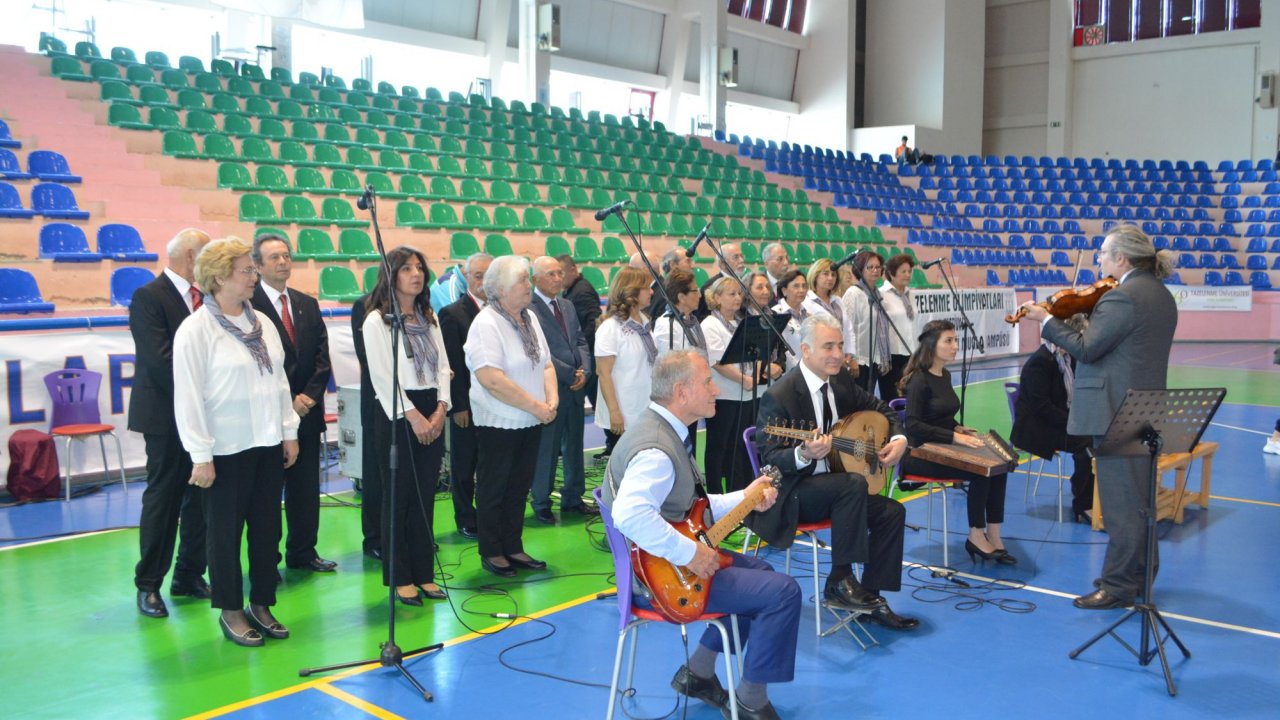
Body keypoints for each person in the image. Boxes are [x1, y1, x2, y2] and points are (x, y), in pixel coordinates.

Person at [601, 349, 799, 720]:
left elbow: (691, 508)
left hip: (658, 567)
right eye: (707, 382)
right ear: (681, 392)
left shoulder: (661, 430)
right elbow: (630, 513)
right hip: (663, 579)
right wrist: (689, 553)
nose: (714, 389)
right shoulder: (657, 450)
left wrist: (746, 497)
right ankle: (750, 701)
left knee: (764, 575)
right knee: (783, 593)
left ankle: (699, 672)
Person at [1017, 225, 1178, 610]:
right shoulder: (1161, 295)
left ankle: (1118, 586)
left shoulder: (1122, 298)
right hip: (1146, 409)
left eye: (1104, 254)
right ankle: (1139, 575)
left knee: (1122, 506)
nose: (1099, 260)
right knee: (1142, 502)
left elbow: (1087, 349)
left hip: (1113, 412)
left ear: (1122, 258)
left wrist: (1046, 321)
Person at [752, 315, 918, 629]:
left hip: (841, 491)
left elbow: (882, 408)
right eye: (828, 346)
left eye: (840, 345)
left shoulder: (840, 380)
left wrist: (898, 438)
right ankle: (840, 579)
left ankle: (870, 599)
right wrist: (802, 454)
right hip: (797, 492)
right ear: (805, 349)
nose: (838, 354)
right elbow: (772, 458)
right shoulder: (780, 395)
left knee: (891, 512)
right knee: (852, 484)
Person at [173, 237, 298, 647]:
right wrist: (200, 455)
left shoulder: (261, 323)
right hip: (224, 452)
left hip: (265, 445)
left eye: (252, 269)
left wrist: (288, 431)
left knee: (266, 532)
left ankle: (262, 602)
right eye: (247, 270)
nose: (254, 276)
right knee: (223, 536)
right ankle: (230, 609)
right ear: (220, 276)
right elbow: (188, 397)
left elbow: (280, 382)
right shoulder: (196, 330)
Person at [130, 228, 212, 619]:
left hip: (204, 415)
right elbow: (161, 360)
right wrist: (207, 390)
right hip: (165, 417)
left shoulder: (209, 298)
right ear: (192, 254)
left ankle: (189, 574)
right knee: (164, 498)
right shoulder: (149, 296)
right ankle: (149, 585)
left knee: (201, 497)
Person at [363, 246, 451, 605]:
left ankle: (425, 574)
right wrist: (414, 416)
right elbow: (384, 377)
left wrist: (441, 409)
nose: (416, 274)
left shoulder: (429, 316)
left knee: (424, 497)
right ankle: (400, 578)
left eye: (420, 267)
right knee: (397, 498)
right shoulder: (377, 321)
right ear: (391, 275)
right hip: (398, 415)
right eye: (406, 269)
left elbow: (444, 366)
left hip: (432, 408)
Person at [464, 255, 557, 577]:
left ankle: (513, 545)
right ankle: (492, 550)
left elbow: (545, 363)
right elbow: (491, 379)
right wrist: (536, 405)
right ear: (500, 289)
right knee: (494, 488)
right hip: (500, 421)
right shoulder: (486, 323)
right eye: (522, 281)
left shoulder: (528, 317)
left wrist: (552, 400)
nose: (528, 286)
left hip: (531, 419)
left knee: (519, 487)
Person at [250, 234, 336, 574]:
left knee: (305, 490)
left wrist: (308, 398)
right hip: (270, 416)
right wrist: (287, 403)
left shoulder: (306, 303)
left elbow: (321, 359)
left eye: (286, 255)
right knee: (267, 495)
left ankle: (303, 552)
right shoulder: (248, 304)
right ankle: (266, 561)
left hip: (306, 413)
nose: (283, 262)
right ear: (257, 265)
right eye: (274, 257)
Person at [899, 320, 1015, 565]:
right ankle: (975, 534)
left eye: (956, 341)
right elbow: (914, 425)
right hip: (919, 454)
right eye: (948, 341)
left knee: (999, 465)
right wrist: (954, 436)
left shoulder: (945, 374)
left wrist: (955, 426)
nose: (955, 346)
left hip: (943, 446)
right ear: (932, 345)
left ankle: (993, 533)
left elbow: (940, 414)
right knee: (981, 470)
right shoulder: (919, 380)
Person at [1010, 313, 1096, 523]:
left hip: (1058, 422)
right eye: (1080, 338)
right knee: (1087, 443)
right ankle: (1083, 504)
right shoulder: (1039, 363)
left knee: (1098, 435)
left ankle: (1090, 492)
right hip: (1038, 429)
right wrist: (1074, 422)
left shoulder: (1068, 358)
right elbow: (1042, 408)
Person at [528, 256, 595, 525]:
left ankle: (573, 497)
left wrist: (585, 371)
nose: (558, 278)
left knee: (574, 445)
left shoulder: (566, 305)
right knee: (548, 447)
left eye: (559, 273)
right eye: (551, 274)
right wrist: (571, 374)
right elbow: (540, 351)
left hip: (575, 386)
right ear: (536, 280)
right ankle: (541, 501)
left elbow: (580, 340)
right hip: (550, 389)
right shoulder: (529, 309)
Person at [439, 252, 493, 540]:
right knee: (464, 465)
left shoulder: (503, 312)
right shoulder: (452, 313)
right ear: (467, 278)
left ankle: (487, 513)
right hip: (467, 404)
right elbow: (452, 364)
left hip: (497, 403)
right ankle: (464, 516)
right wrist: (458, 405)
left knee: (489, 463)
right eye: (477, 276)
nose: (483, 282)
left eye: (488, 276)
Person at [701, 276, 758, 494]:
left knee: (738, 449)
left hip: (743, 394)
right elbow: (718, 362)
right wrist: (744, 380)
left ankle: (738, 492)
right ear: (716, 298)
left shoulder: (739, 322)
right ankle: (715, 494)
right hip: (724, 395)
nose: (737, 298)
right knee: (719, 448)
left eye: (739, 293)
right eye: (731, 294)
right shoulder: (710, 324)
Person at [595, 267, 656, 460]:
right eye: (647, 288)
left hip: (644, 406)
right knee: (625, 467)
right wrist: (615, 412)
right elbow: (603, 373)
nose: (652, 292)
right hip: (624, 411)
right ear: (632, 291)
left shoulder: (644, 323)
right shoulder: (610, 328)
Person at [350, 293, 383, 558]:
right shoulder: (365, 306)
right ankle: (375, 539)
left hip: (416, 405)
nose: (415, 275)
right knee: (376, 476)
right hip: (377, 403)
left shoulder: (420, 307)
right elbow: (367, 357)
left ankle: (410, 534)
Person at [841, 250, 890, 395]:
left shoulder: (878, 294)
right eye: (870, 267)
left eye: (878, 267)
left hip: (874, 359)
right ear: (860, 269)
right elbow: (846, 330)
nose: (875, 271)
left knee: (868, 402)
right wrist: (851, 359)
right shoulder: (853, 293)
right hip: (858, 361)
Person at [558, 254, 602, 411]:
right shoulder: (571, 290)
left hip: (588, 356)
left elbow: (593, 323)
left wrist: (580, 352)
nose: (558, 278)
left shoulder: (581, 291)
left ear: (573, 269)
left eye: (561, 273)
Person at [878, 253, 918, 401]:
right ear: (891, 273)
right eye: (903, 271)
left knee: (910, 395)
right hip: (892, 354)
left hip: (910, 353)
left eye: (909, 271)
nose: (908, 275)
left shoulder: (910, 294)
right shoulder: (882, 294)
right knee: (891, 396)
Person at [697, 242, 746, 319]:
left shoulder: (745, 282)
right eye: (736, 257)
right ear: (722, 264)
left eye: (742, 256)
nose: (741, 260)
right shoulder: (711, 286)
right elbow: (702, 316)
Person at [771, 270, 808, 370]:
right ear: (784, 291)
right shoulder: (775, 314)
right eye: (796, 286)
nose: (801, 290)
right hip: (788, 372)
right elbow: (778, 349)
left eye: (804, 286)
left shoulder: (808, 315)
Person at [802, 257, 843, 325]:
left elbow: (848, 330)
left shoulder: (838, 301)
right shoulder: (806, 301)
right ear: (815, 276)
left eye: (833, 275)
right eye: (826, 274)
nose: (830, 278)